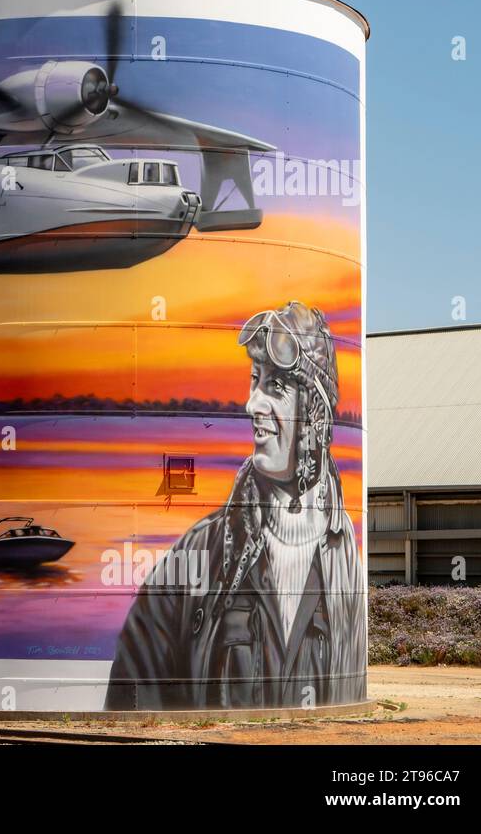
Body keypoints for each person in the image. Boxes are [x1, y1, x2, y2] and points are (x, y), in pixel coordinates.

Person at [105, 301, 366, 710]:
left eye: (275, 387)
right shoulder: (200, 554)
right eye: (254, 381)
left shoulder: (346, 557)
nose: (253, 404)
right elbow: (135, 692)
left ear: (314, 415)